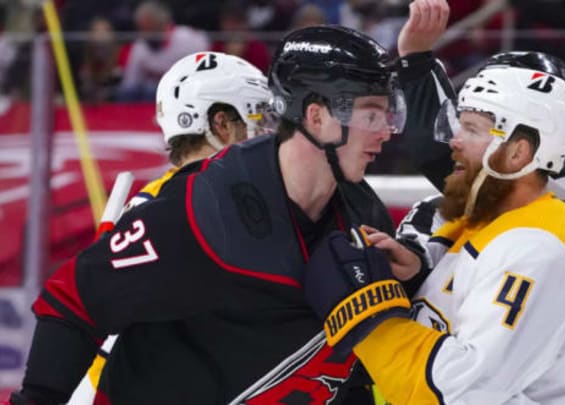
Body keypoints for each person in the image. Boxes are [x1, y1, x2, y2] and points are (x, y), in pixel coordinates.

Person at [6, 27, 402, 405]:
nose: (387, 131)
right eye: (371, 114)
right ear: (316, 116)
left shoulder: (364, 216)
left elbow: (344, 373)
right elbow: (74, 298)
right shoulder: (204, 208)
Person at [303, 37, 565, 403]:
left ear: (518, 152)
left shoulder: (535, 249)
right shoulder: (489, 217)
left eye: (472, 130)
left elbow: (462, 393)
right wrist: (414, 272)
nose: (454, 142)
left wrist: (369, 320)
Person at [390, 4, 565, 401]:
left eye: (474, 124)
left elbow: (441, 151)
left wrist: (415, 64)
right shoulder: (456, 211)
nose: (457, 138)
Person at [66, 51, 275, 405]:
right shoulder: (169, 212)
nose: (268, 133)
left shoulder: (218, 200)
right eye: (256, 117)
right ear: (220, 123)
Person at [116, 0, 209, 101]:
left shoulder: (187, 38)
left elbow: (202, 66)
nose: (146, 33)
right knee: (128, 92)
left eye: (150, 26)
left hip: (182, 87)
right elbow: (131, 82)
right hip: (151, 88)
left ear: (162, 23)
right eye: (142, 28)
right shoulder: (140, 46)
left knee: (152, 90)